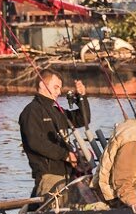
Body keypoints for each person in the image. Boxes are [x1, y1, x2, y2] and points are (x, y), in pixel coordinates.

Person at [18, 69, 91, 198]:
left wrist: (82, 97)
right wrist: (66, 155)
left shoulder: (57, 111)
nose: (59, 92)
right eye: (56, 87)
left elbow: (83, 120)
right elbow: (36, 142)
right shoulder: (31, 112)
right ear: (42, 85)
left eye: (60, 88)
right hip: (49, 176)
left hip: (67, 175)